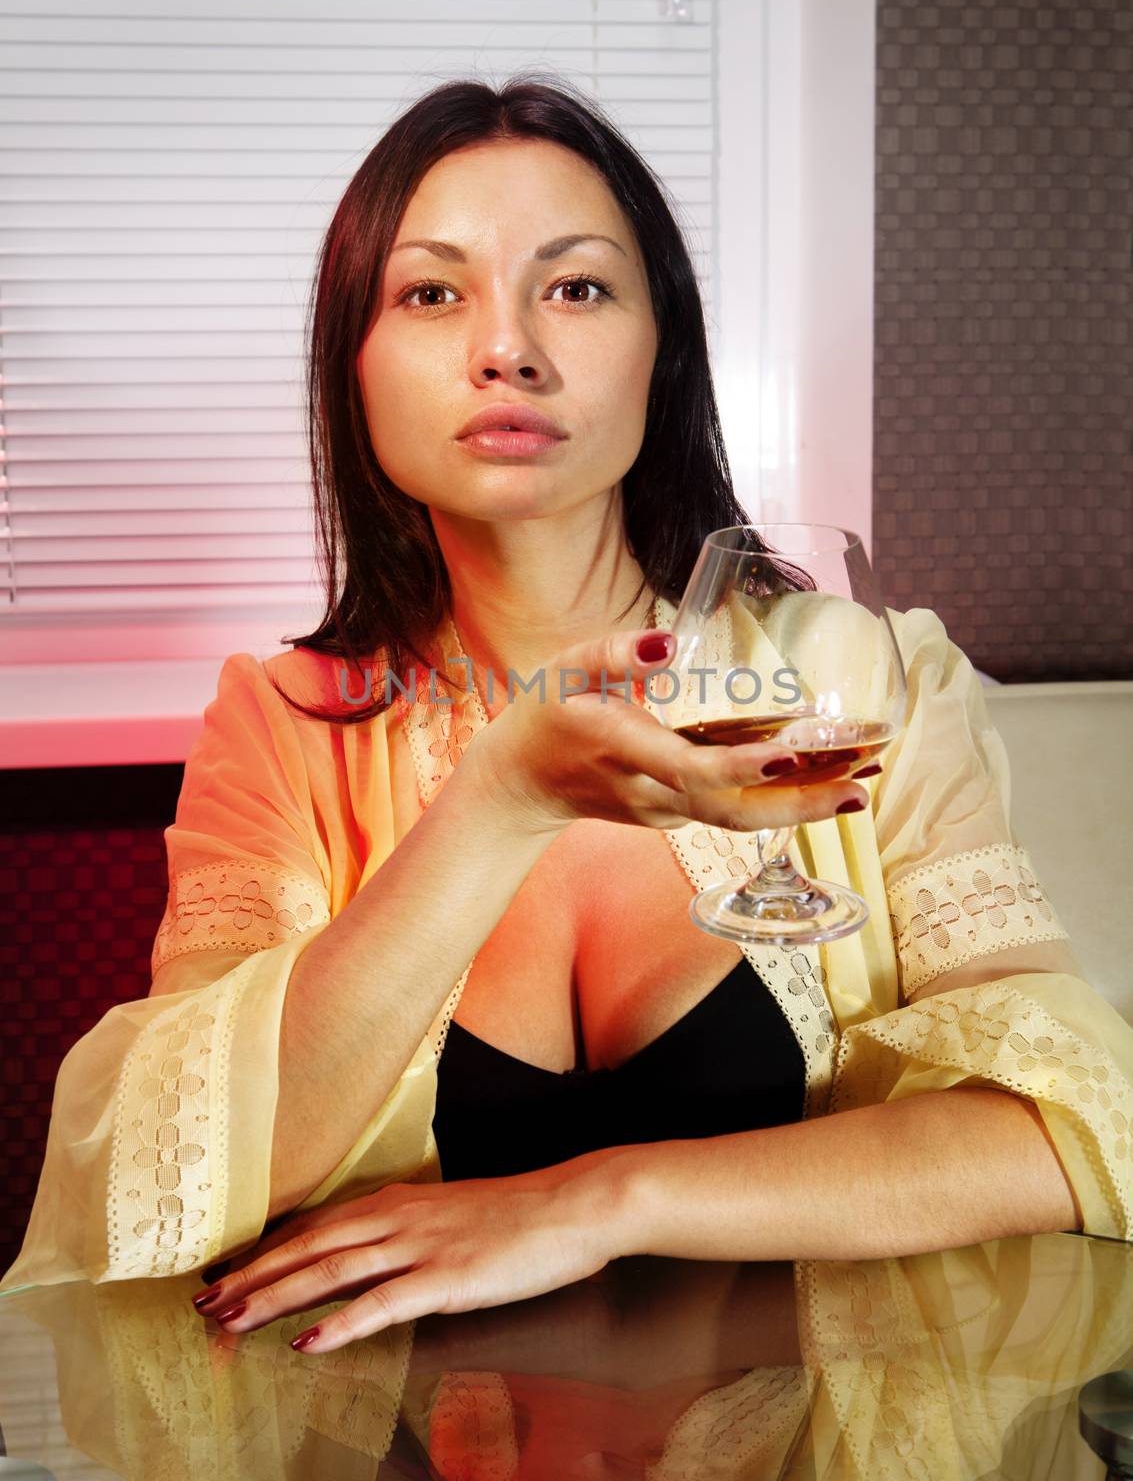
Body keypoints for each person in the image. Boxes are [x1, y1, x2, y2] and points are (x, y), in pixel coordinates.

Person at [3, 77, 1129, 1357]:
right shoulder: (280, 726)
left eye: (577, 287)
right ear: (351, 369)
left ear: (665, 345)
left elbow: (1069, 1121)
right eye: (432, 293)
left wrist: (597, 1201)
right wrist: (499, 798)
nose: (508, 348)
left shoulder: (861, 684)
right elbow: (176, 1173)